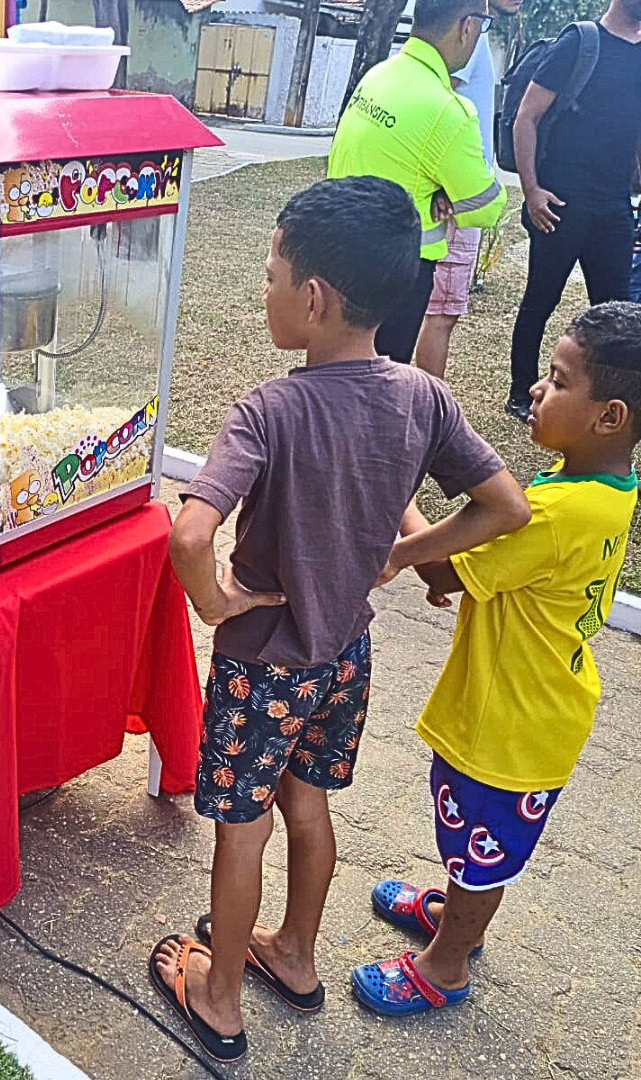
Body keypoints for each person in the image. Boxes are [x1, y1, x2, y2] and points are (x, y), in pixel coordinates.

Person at [148, 176, 531, 1062]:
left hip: (263, 663)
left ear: (312, 299)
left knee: (241, 833)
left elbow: (191, 532)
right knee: (309, 802)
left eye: (273, 271)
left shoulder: (269, 410)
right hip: (344, 656)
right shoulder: (421, 398)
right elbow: (504, 505)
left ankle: (220, 996)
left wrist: (217, 605)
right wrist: (406, 552)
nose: (266, 287)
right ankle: (296, 951)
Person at [353, 302, 640, 1015]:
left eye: (558, 379)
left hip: (510, 722)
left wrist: (401, 508)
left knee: (483, 846)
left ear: (610, 416)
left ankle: (447, 962)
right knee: (474, 837)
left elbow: (446, 573)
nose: (538, 390)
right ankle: (456, 914)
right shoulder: (599, 489)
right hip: (539, 707)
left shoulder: (557, 511)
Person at [328, 0, 507, 365]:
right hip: (398, 271)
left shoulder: (379, 75)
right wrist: (452, 195)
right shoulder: (447, 110)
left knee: (332, 369)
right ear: (467, 26)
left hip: (338, 251)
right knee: (378, 380)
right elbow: (487, 205)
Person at [506, 0, 641, 421]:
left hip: (615, 207)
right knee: (539, 302)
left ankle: (608, 401)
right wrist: (532, 191)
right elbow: (525, 118)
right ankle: (520, 392)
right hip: (561, 204)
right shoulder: (579, 42)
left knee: (617, 315)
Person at [414, 0, 524, 379]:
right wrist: (449, 183)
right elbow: (443, 102)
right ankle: (430, 405)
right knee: (441, 312)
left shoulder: (476, 30)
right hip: (457, 190)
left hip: (457, 184)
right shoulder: (468, 33)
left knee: (436, 309)